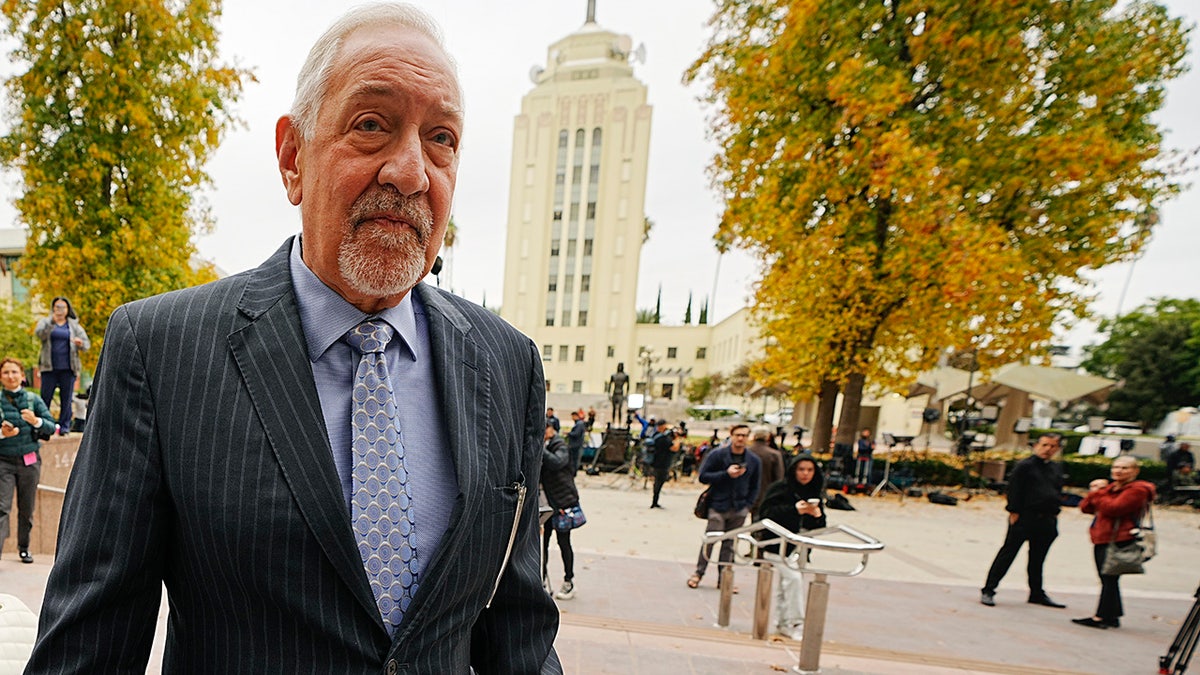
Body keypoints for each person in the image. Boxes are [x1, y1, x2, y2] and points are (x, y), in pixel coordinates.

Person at [26, 5, 561, 673]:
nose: (411, 172)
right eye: (372, 125)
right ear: (292, 158)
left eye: (441, 138)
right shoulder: (160, 351)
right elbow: (88, 652)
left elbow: (520, 634)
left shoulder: (507, 363)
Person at [980, 433, 1067, 609]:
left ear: (1057, 449)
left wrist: (1056, 510)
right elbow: (1014, 489)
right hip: (1025, 516)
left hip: (1047, 518)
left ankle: (1036, 592)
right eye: (1044, 445)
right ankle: (989, 589)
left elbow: (1057, 490)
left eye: (1052, 446)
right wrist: (1014, 510)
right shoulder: (1025, 466)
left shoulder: (1056, 468)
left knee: (1038, 558)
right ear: (1036, 446)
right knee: (1008, 553)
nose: (1047, 449)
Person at [1073, 456, 1157, 629]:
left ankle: (1101, 617)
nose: (1119, 471)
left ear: (1135, 471)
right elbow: (1085, 507)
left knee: (1109, 577)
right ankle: (1112, 615)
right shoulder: (1111, 488)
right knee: (1108, 578)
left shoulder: (1137, 490)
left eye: (1125, 468)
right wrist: (1097, 492)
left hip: (1119, 538)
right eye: (1116, 467)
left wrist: (1099, 493)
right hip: (1103, 537)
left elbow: (1114, 508)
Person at [757, 455, 827, 640]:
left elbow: (819, 526)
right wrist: (795, 510)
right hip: (776, 545)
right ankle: (796, 622)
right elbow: (765, 515)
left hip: (800, 547)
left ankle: (783, 623)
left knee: (786, 584)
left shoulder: (814, 492)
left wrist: (816, 515)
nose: (805, 474)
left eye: (810, 470)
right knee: (793, 579)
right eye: (801, 469)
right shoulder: (780, 489)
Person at [687, 423, 761, 589]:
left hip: (739, 507)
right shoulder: (718, 455)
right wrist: (726, 474)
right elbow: (703, 476)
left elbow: (756, 485)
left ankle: (724, 578)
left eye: (744, 435)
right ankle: (699, 573)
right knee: (711, 540)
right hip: (718, 504)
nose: (741, 438)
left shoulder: (753, 460)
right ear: (731, 436)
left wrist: (748, 505)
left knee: (730, 545)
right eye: (738, 435)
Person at [0, 358, 55, 564]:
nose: (11, 376)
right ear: (1, 377)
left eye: (14, 372)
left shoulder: (33, 399)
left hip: (29, 461)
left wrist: (36, 421)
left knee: (27, 507)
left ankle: (24, 548)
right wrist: (3, 434)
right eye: (6, 372)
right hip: (3, 461)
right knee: (2, 507)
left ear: (22, 376)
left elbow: (51, 426)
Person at [33, 296, 90, 436]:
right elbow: (39, 335)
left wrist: (80, 343)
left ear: (68, 309)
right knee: (45, 399)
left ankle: (64, 427)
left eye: (63, 307)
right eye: (57, 307)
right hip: (49, 367)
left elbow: (86, 345)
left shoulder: (74, 326)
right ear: (53, 308)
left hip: (68, 368)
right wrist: (51, 322)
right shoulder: (46, 322)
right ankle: (44, 428)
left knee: (66, 399)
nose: (60, 310)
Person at [540, 422, 580, 601]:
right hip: (547, 505)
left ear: (550, 429)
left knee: (564, 543)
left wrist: (539, 448)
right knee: (542, 545)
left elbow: (557, 463)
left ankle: (569, 580)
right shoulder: (546, 446)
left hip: (562, 503)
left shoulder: (559, 445)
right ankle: (540, 579)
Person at [748, 426, 784, 518]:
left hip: (746, 493)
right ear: (767, 437)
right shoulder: (774, 455)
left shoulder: (747, 452)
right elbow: (779, 477)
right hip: (766, 493)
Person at [649, 419, 679, 508]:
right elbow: (674, 448)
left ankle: (655, 500)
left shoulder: (655, 436)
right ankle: (655, 501)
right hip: (662, 463)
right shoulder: (663, 439)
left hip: (656, 462)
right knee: (659, 481)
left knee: (657, 481)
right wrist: (677, 439)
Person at [566, 409, 586, 474]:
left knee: (575, 459)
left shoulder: (579, 424)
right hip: (576, 444)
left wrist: (568, 433)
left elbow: (576, 434)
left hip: (576, 445)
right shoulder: (578, 424)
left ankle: (574, 471)